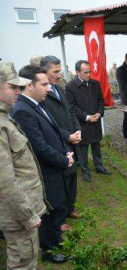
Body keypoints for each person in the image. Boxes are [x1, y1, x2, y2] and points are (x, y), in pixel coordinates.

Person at [12, 65, 73, 264]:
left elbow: (54, 132)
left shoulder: (37, 103)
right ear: (29, 85)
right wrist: (64, 160)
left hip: (55, 167)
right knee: (49, 210)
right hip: (45, 172)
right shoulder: (23, 110)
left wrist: (65, 151)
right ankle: (50, 250)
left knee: (56, 208)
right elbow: (39, 147)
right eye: (44, 84)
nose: (49, 88)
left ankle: (55, 241)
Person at [0, 65, 47, 269]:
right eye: (13, 87)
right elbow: (5, 182)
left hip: (22, 213)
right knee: (23, 264)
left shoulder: (5, 118)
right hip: (18, 216)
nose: (19, 92)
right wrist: (28, 215)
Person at [40, 56, 81, 232]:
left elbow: (70, 110)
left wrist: (78, 130)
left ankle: (70, 207)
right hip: (60, 142)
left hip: (72, 139)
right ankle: (61, 216)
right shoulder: (42, 95)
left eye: (60, 71)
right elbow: (50, 123)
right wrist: (67, 136)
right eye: (55, 72)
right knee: (61, 182)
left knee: (72, 176)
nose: (59, 75)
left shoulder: (58, 89)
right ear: (44, 72)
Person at [65, 60, 111, 182]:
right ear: (77, 72)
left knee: (96, 144)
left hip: (95, 121)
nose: (88, 75)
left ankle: (99, 166)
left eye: (89, 72)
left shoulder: (95, 84)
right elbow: (72, 106)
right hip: (81, 123)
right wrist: (86, 117)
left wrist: (99, 113)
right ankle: (85, 170)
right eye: (85, 72)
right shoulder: (70, 87)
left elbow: (101, 100)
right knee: (83, 148)